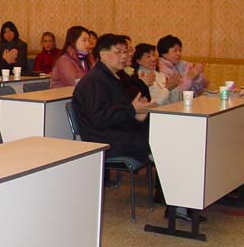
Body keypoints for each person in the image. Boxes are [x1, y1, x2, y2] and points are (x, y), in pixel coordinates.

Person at [71, 33, 154, 161]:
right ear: (103, 55)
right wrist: (132, 110)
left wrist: (137, 116)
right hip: (103, 139)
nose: (124, 56)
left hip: (118, 131)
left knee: (158, 130)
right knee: (157, 139)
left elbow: (120, 111)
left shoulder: (116, 76)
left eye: (125, 52)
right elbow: (99, 118)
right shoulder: (94, 81)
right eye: (118, 52)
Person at [156, 35, 209, 102]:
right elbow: (174, 95)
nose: (179, 54)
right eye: (175, 51)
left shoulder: (183, 64)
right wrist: (190, 77)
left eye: (180, 50)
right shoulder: (160, 69)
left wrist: (197, 75)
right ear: (164, 53)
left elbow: (204, 86)